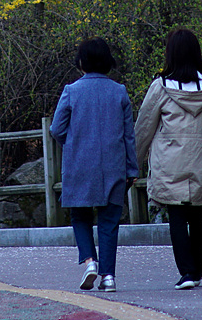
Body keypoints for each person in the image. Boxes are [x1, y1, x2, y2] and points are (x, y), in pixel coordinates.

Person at [134, 28, 202, 290]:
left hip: (169, 162)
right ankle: (197, 269)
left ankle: (186, 272)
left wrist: (133, 163)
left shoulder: (161, 86)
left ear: (170, 54)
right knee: (198, 216)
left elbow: (144, 126)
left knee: (176, 216)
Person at [49, 37, 138, 293]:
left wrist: (73, 143)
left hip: (79, 164)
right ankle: (108, 277)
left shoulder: (71, 90)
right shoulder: (119, 91)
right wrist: (132, 168)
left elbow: (56, 129)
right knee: (109, 221)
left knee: (80, 215)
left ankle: (90, 261)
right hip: (113, 164)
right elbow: (128, 135)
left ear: (82, 62)